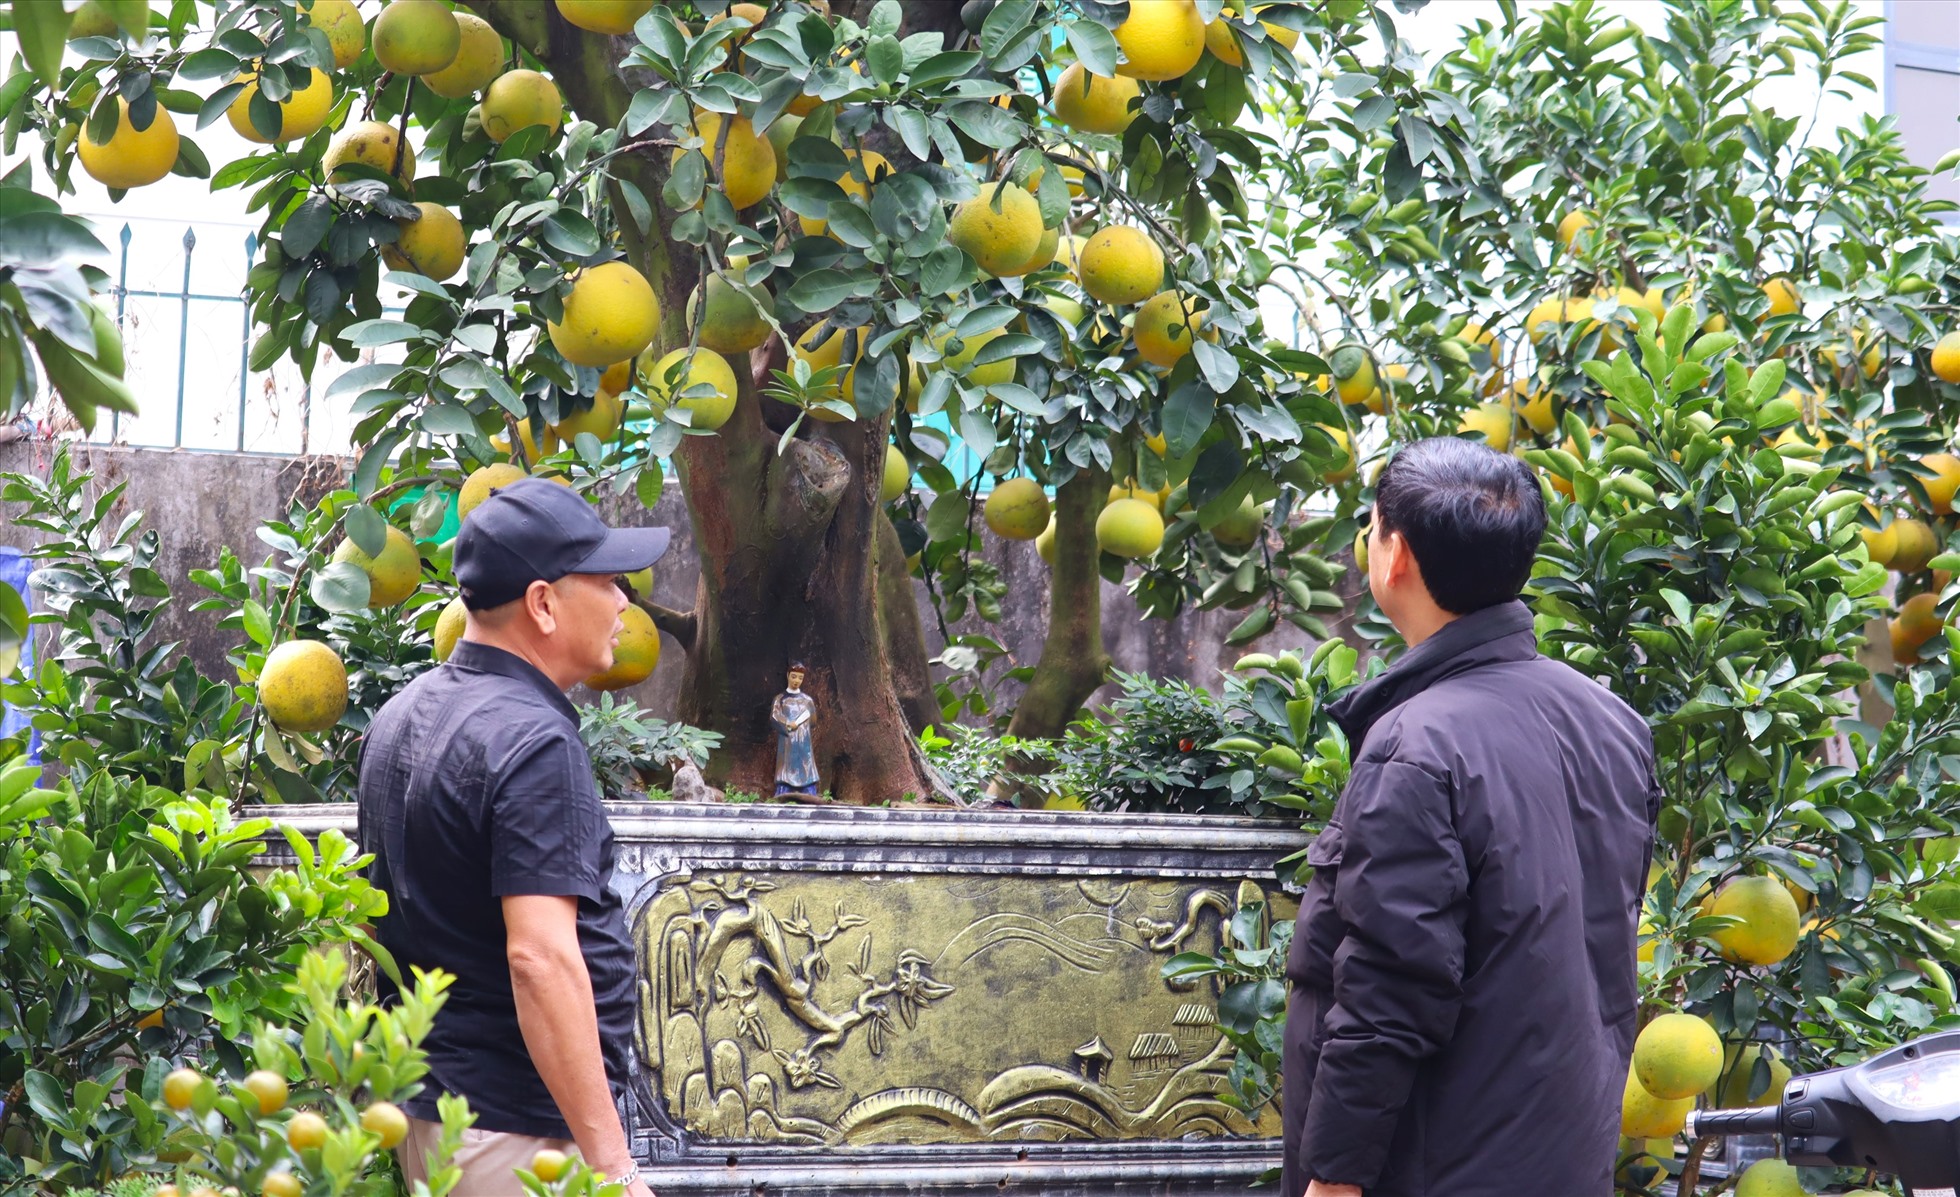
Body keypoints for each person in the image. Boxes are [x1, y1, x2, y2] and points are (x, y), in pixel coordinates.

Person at [1283, 437, 1658, 1197]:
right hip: (1561, 1157)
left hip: (1438, 1165)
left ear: (1396, 558)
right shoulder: (1612, 721)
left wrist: (1335, 1177)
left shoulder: (1417, 746)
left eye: (1373, 525)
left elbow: (1392, 986)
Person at [357, 478, 666, 1197]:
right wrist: (615, 1167)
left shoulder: (400, 716)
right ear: (543, 603)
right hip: (513, 1135)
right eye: (606, 580)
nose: (625, 601)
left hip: (436, 1116)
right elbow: (539, 958)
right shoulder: (534, 742)